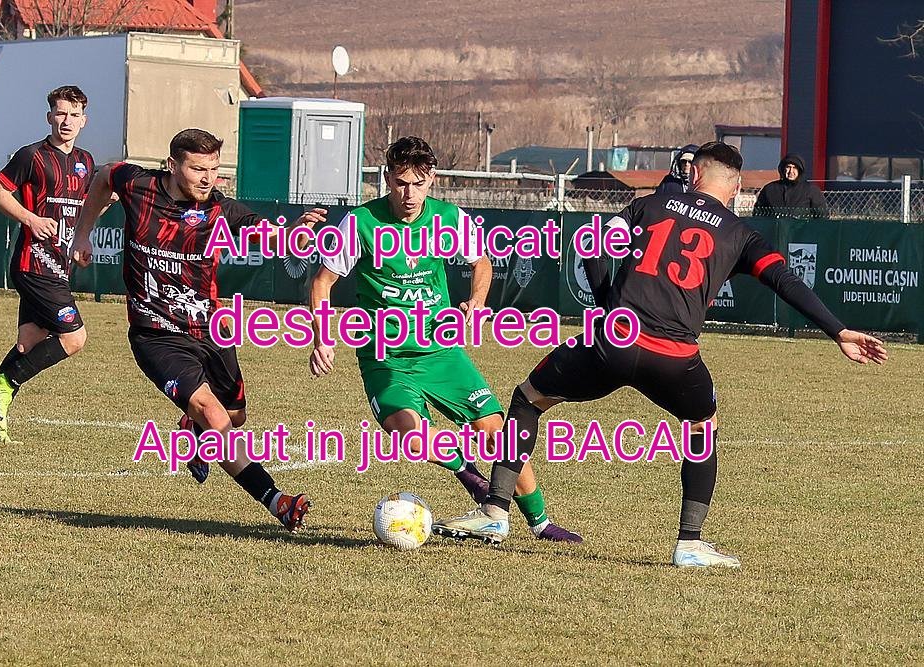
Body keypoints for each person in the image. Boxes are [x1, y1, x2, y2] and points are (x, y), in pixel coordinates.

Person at [433, 142, 887, 566]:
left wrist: (606, 305)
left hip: (612, 341)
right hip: (674, 357)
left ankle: (495, 511)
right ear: (735, 187)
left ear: (694, 175)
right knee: (702, 425)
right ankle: (689, 543)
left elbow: (590, 245)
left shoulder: (648, 205)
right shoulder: (740, 234)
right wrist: (838, 330)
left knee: (529, 398)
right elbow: (786, 281)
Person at [308, 136, 581, 542]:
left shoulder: (448, 218)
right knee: (409, 435)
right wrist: (322, 338)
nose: (409, 194)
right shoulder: (361, 223)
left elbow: (482, 261)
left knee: (498, 431)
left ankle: (540, 523)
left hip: (440, 350)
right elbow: (322, 282)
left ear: (432, 179)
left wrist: (477, 300)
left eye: (418, 184)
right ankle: (469, 474)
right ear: (387, 178)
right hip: (385, 357)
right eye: (401, 183)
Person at [71, 128, 326, 533]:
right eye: (198, 169)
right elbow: (104, 176)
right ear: (172, 165)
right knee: (212, 413)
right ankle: (277, 501)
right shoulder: (137, 185)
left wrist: (295, 233)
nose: (208, 179)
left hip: (210, 331)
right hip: (155, 335)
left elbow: (270, 235)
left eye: (214, 169)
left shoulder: (221, 209)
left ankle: (192, 429)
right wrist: (83, 232)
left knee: (235, 417)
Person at [0, 85, 103, 444]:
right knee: (74, 338)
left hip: (60, 265)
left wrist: (83, 237)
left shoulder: (86, 161)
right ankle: (3, 383)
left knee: (27, 344)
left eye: (74, 115)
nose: (67, 121)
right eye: (60, 113)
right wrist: (30, 218)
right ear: (49, 117)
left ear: (84, 121)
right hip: (33, 263)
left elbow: (90, 204)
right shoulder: (32, 155)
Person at [753, 153, 829, 219]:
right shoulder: (770, 189)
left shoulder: (811, 190)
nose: (791, 171)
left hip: (801, 229)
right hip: (775, 229)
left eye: (794, 168)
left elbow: (822, 215)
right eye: (788, 167)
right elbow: (758, 213)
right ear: (783, 169)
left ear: (799, 170)